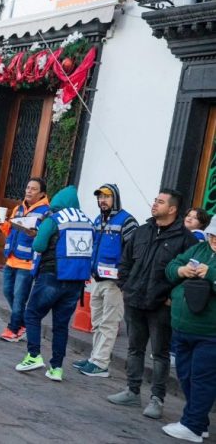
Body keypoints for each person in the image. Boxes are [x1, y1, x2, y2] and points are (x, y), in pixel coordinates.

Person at [107, 189, 199, 419]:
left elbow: (189, 275)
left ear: (172, 209)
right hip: (135, 300)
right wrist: (125, 285)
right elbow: (125, 260)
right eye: (155, 200)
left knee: (160, 354)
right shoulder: (142, 231)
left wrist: (173, 298)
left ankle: (157, 399)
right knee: (134, 348)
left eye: (160, 202)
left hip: (161, 306)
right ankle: (132, 391)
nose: (155, 204)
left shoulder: (185, 239)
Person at [14, 185, 94, 382]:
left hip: (52, 276)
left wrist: (38, 233)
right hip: (76, 282)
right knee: (61, 326)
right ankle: (56, 368)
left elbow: (39, 245)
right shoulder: (88, 221)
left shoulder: (54, 219)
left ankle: (33, 355)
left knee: (32, 314)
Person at [74, 184, 139, 377]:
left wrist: (124, 277)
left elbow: (134, 252)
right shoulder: (98, 219)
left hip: (114, 283)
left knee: (109, 323)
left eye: (107, 197)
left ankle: (101, 364)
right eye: (100, 197)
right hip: (97, 279)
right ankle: (94, 358)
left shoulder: (127, 221)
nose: (102, 200)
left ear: (115, 199)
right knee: (97, 322)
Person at [162, 219, 216, 442]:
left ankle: (192, 426)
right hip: (183, 327)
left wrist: (210, 273)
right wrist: (182, 270)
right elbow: (171, 267)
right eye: (213, 235)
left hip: (210, 332)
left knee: (202, 379)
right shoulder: (199, 248)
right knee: (185, 375)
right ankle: (199, 422)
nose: (214, 240)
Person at [0, 178, 50, 342]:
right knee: (8, 291)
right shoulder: (18, 208)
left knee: (19, 297)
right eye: (27, 188)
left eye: (33, 189)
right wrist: (2, 223)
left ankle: (13, 329)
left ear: (41, 193)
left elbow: (45, 237)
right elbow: (10, 232)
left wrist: (36, 234)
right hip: (11, 259)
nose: (28, 191)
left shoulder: (46, 212)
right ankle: (23, 324)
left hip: (27, 263)